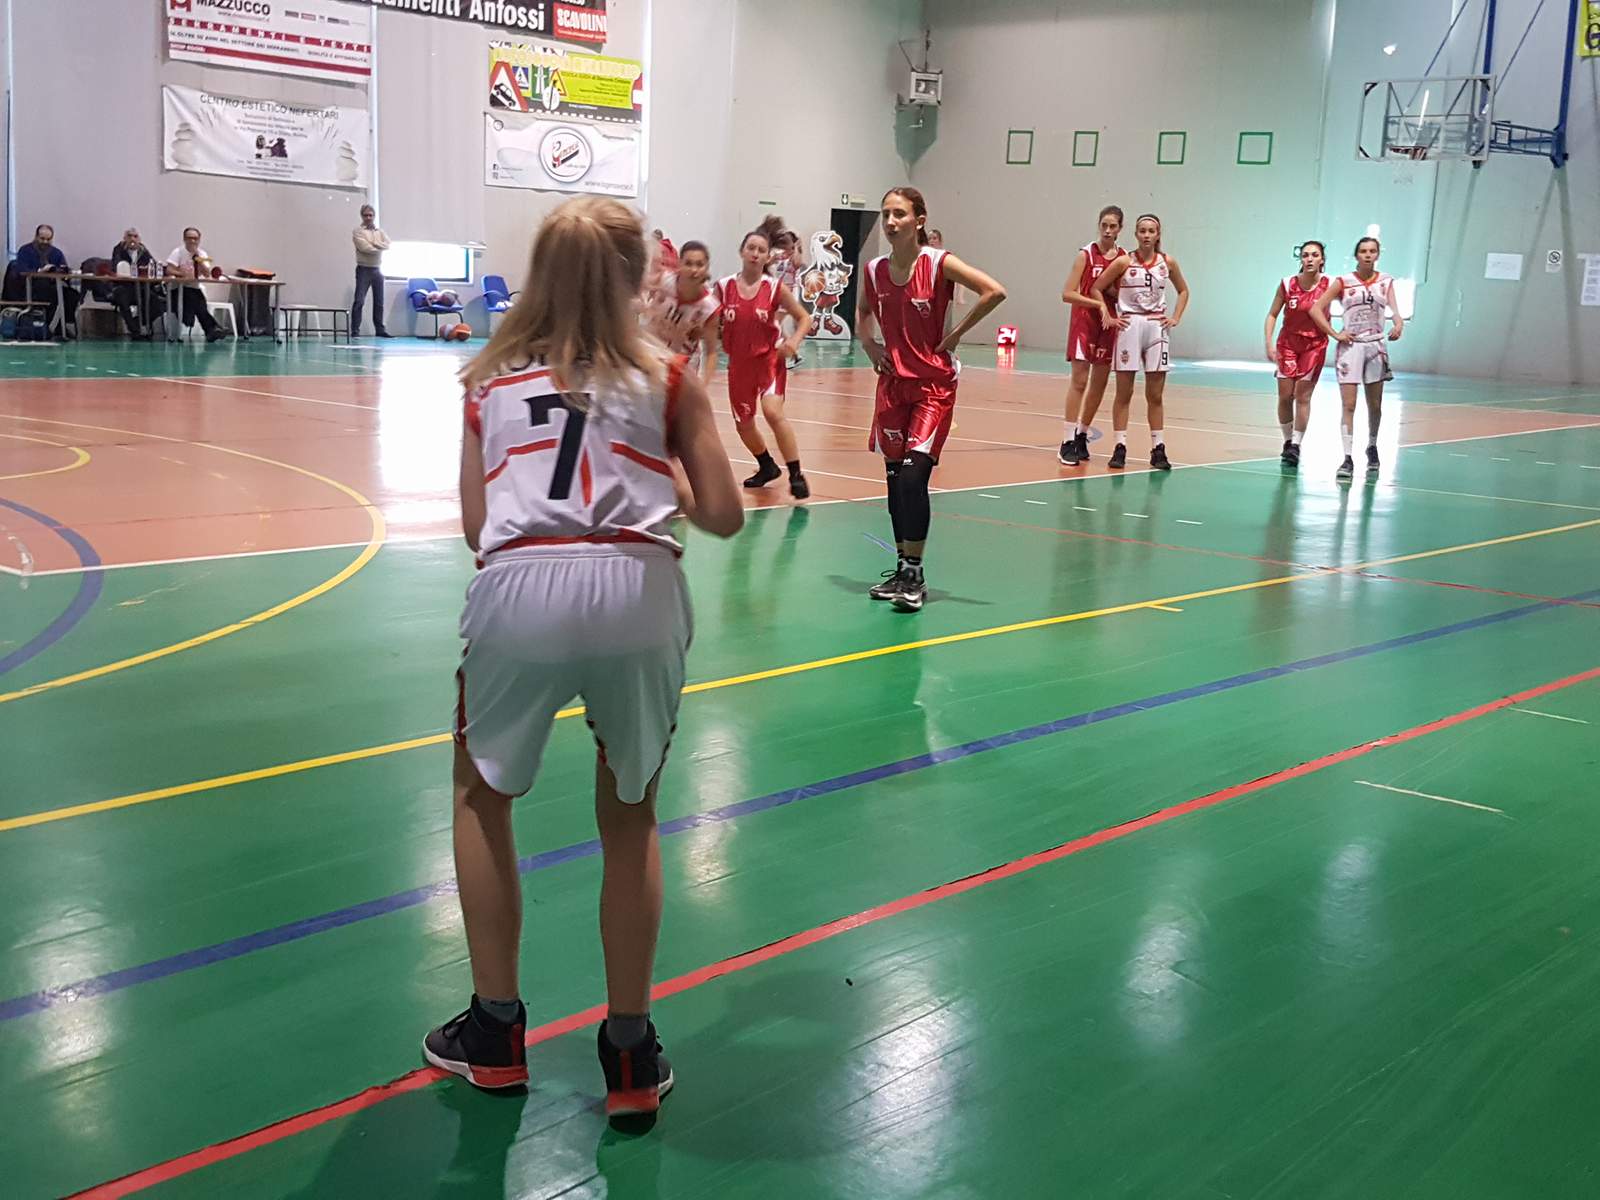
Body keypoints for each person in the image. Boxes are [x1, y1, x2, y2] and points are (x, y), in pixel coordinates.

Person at [423, 196, 743, 1115]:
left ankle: (495, 1033)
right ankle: (631, 1054)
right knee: (631, 814)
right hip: (638, 592)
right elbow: (726, 515)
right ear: (638, 276)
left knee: (482, 796)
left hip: (522, 590)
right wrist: (663, 475)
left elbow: (478, 527)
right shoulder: (668, 377)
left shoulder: (487, 381)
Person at [857, 186, 1007, 612]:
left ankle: (915, 574)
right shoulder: (874, 270)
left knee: (912, 478)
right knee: (894, 483)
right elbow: (863, 312)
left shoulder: (939, 263)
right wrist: (869, 344)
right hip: (892, 387)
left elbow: (994, 291)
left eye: (900, 214)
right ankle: (902, 569)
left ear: (919, 220)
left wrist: (955, 335)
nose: (891, 222)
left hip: (933, 388)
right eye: (886, 213)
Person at [716, 223, 814, 500]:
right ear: (741, 251)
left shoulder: (774, 288)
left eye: (761, 250)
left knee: (772, 412)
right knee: (744, 423)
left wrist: (793, 341)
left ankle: (796, 475)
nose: (755, 254)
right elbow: (706, 317)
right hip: (739, 365)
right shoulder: (723, 287)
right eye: (751, 248)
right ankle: (767, 465)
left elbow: (804, 318)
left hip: (768, 361)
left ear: (768, 257)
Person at [1092, 213, 1190, 471]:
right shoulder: (1124, 261)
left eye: (1151, 231)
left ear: (1158, 235)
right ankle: (1119, 446)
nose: (1146, 235)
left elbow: (1183, 290)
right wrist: (1107, 315)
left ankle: (1158, 448)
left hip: (1156, 327)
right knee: (1124, 392)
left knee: (1155, 394)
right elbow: (1096, 288)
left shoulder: (1167, 262)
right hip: (1130, 325)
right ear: (1135, 234)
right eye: (1142, 231)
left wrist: (1176, 317)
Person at [1309, 236, 1403, 479]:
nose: (1368, 255)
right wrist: (1334, 333)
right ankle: (1347, 457)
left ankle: (1372, 445)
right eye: (1363, 251)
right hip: (1351, 347)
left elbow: (1395, 312)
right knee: (1349, 404)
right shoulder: (1344, 282)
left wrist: (1398, 324)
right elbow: (1316, 309)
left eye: (1372, 251)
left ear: (1377, 254)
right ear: (1356, 255)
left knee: (1375, 404)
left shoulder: (1385, 281)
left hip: (1375, 346)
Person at [1057, 205, 1126, 465]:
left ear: (1120, 229)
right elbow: (1067, 293)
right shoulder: (1086, 254)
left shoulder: (1123, 259)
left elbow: (1122, 294)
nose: (1107, 230)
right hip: (1084, 322)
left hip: (1109, 325)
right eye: (1104, 225)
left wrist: (1115, 297)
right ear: (1099, 225)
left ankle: (1082, 435)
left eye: (1113, 226)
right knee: (1079, 380)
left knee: (1100, 383)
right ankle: (1066, 441)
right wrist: (1097, 303)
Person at [1263, 241, 1331, 469]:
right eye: (1305, 255)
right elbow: (1272, 314)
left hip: (1314, 345)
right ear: (1300, 259)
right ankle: (1287, 440)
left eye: (1314, 255)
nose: (1309, 259)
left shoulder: (1330, 284)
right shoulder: (1287, 284)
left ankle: (1296, 445)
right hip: (1288, 344)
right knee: (1285, 396)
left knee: (1303, 396)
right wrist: (1269, 343)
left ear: (1322, 259)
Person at [642, 240, 720, 388]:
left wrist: (703, 385)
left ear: (707, 267)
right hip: (652, 353)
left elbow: (711, 352)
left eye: (699, 264)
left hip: (681, 365)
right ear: (679, 264)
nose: (694, 270)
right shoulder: (664, 280)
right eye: (688, 264)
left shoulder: (710, 308)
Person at [14, 224, 79, 336]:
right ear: (36, 237)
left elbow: (63, 269)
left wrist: (63, 272)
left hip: (54, 285)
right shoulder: (25, 251)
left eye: (48, 239)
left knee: (73, 295)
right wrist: (40, 271)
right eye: (42, 238)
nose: (45, 242)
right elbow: (21, 270)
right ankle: (45, 326)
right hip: (32, 286)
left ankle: (61, 326)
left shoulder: (56, 253)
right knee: (50, 292)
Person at [163, 227, 226, 343]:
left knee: (199, 302)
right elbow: (169, 270)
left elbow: (207, 274)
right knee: (197, 301)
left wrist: (198, 259)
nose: (192, 241)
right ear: (184, 239)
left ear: (199, 240)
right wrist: (182, 274)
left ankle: (212, 330)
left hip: (193, 288)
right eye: (189, 238)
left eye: (195, 238)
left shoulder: (202, 254)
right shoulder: (178, 252)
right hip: (177, 288)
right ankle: (212, 329)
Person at [110, 228, 164, 340]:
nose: (132, 239)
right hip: (124, 286)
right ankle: (135, 332)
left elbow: (152, 265)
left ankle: (137, 322)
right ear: (124, 239)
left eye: (135, 236)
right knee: (121, 297)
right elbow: (116, 266)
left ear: (139, 239)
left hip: (142, 287)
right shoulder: (119, 250)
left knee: (157, 304)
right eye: (129, 236)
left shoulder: (143, 251)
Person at [352, 205, 392, 338]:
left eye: (370, 215)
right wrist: (379, 247)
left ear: (374, 216)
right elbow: (365, 248)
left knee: (379, 302)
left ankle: (380, 330)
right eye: (366, 215)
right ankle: (355, 331)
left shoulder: (379, 231)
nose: (368, 217)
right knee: (359, 301)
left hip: (377, 269)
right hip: (363, 269)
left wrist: (374, 244)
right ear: (361, 216)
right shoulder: (358, 231)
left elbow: (388, 244)